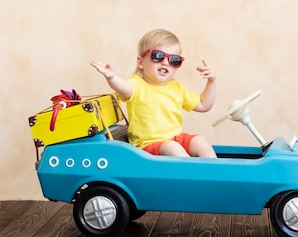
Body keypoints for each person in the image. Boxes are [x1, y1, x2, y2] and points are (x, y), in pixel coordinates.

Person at [90, 29, 217, 157]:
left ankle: (216, 175)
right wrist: (112, 77)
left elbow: (203, 105)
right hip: (147, 147)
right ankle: (191, 176)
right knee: (172, 147)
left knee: (200, 141)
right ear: (141, 62)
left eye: (174, 60)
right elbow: (123, 87)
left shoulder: (177, 88)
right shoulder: (137, 85)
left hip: (175, 140)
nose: (166, 62)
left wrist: (211, 81)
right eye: (158, 56)